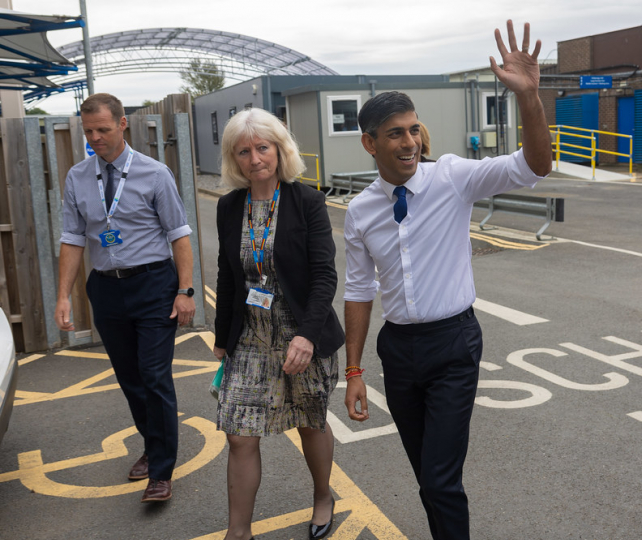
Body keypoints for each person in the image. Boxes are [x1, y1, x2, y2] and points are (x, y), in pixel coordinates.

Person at [342, 20, 551, 540]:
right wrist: (352, 371)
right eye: (396, 133)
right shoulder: (362, 211)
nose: (410, 141)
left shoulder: (453, 177)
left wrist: (529, 98)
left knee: (438, 479)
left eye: (414, 129)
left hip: (453, 342)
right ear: (370, 142)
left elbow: (536, 165)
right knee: (427, 478)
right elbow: (358, 291)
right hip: (399, 350)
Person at [55, 93, 196, 503]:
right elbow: (72, 237)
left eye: (102, 129)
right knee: (130, 378)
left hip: (153, 285)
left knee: (154, 376)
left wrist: (185, 290)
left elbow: (179, 234)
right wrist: (63, 296)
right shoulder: (78, 177)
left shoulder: (155, 173)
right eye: (88, 132)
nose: (95, 138)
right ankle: (153, 448)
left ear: (122, 125)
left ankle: (161, 471)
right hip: (106, 288)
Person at [212, 108, 345, 540]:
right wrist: (221, 338)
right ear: (235, 159)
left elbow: (325, 274)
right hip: (250, 334)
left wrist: (307, 334)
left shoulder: (306, 201)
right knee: (238, 434)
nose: (255, 158)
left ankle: (323, 495)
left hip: (302, 330)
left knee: (311, 421)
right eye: (244, 151)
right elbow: (226, 273)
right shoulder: (230, 206)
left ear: (279, 150)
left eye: (262, 147)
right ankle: (239, 530)